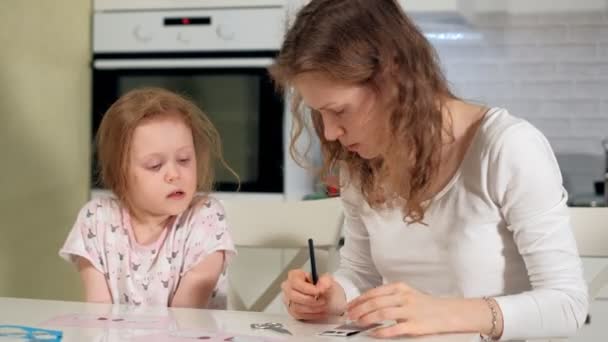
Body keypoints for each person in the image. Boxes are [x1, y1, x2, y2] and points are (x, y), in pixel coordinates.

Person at [271, 0, 588, 340]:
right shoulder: (360, 162)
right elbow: (362, 276)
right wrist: (332, 297)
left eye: (340, 110)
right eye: (319, 113)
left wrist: (445, 311)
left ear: (393, 79)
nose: (330, 132)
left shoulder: (507, 146)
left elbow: (568, 304)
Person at [59, 88, 237, 309]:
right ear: (120, 174)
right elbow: (98, 313)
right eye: (155, 165)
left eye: (184, 159)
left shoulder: (206, 217)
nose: (174, 174)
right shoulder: (96, 219)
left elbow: (186, 317)